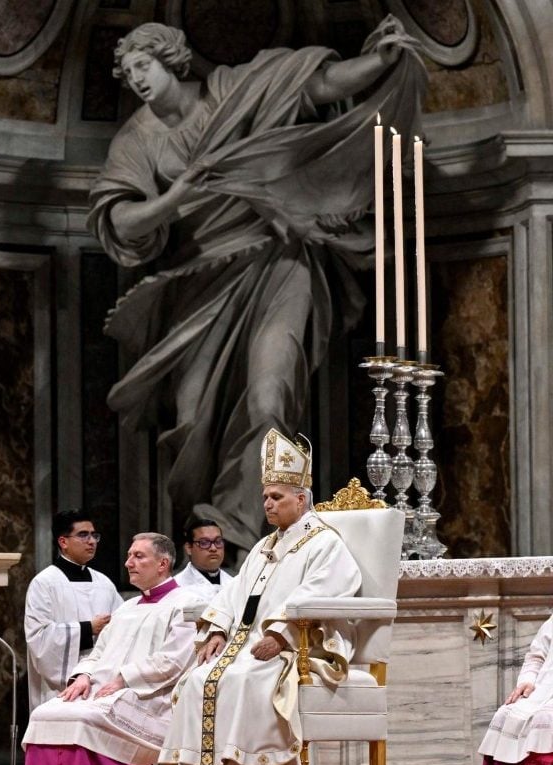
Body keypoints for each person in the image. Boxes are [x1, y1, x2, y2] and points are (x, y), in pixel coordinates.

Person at [88, 19, 424, 552]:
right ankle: (217, 541)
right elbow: (121, 221)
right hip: (200, 282)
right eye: (129, 75)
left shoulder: (233, 90)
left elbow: (317, 83)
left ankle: (267, 537)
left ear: (171, 59)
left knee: (270, 398)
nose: (138, 81)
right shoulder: (137, 139)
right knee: (193, 419)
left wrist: (379, 61)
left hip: (279, 260)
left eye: (144, 66)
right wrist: (176, 196)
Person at [160, 429, 360, 765]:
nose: (267, 503)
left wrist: (282, 635)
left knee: (242, 681)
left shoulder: (325, 543)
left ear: (301, 499)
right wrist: (218, 629)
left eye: (276, 497)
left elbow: (325, 590)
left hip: (297, 648)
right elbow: (235, 592)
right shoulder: (265, 545)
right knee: (197, 679)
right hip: (246, 644)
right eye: (265, 496)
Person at [21, 533, 198, 765]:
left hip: (149, 693)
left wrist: (124, 678)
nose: (128, 563)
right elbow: (99, 651)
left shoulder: (188, 603)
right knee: (43, 714)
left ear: (162, 564)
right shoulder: (127, 607)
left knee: (84, 719)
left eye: (138, 556)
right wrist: (83, 675)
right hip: (103, 689)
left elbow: (174, 660)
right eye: (129, 556)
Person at [25, 510, 123, 712]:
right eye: (83, 535)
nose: (92, 541)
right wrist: (87, 629)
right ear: (63, 542)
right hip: (60, 688)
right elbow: (39, 637)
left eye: (94, 535)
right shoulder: (44, 583)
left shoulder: (104, 583)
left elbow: (123, 628)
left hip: (101, 681)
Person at [476, 613, 553, 765]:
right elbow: (536, 657)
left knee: (544, 719)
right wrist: (527, 680)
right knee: (505, 714)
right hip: (544, 689)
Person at [174, 518, 234, 599]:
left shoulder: (235, 584)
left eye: (218, 542)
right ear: (189, 548)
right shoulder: (176, 587)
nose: (213, 548)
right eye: (204, 543)